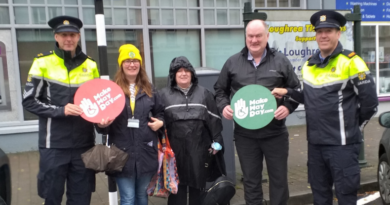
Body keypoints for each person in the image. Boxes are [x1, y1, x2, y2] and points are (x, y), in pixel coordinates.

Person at [271, 10, 378, 205]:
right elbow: (310, 98)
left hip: (342, 146)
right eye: (319, 31)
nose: (323, 35)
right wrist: (288, 92)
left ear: (338, 33)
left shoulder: (352, 62)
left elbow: (370, 103)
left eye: (329, 30)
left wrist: (354, 127)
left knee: (346, 197)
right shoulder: (309, 65)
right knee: (320, 197)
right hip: (316, 145)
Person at [214, 19, 301, 205]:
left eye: (258, 36)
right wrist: (224, 107)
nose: (254, 40)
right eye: (250, 36)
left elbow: (295, 89)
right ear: (246, 37)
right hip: (245, 135)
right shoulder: (232, 63)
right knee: (251, 182)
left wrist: (288, 107)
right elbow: (220, 90)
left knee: (279, 181)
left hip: (275, 134)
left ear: (267, 36)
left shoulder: (281, 61)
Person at [22, 16, 99, 205]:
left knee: (81, 198)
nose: (68, 39)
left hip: (84, 144)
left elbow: (98, 101)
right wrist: (60, 110)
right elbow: (29, 101)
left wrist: (103, 120)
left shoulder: (91, 65)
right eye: (64, 35)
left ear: (79, 36)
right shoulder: (42, 63)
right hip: (54, 145)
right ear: (56, 37)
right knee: (52, 197)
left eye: (72, 35)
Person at [97, 44, 165, 205]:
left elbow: (160, 112)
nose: (132, 64)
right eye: (127, 60)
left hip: (145, 152)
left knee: (142, 196)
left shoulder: (149, 89)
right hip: (121, 152)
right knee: (128, 198)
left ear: (140, 64)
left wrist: (161, 122)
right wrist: (102, 124)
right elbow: (102, 125)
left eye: (135, 60)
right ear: (121, 64)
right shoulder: (111, 90)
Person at [159, 56, 224, 205]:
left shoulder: (204, 94)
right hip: (174, 152)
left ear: (192, 74)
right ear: (173, 75)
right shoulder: (163, 95)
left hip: (199, 151)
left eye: (186, 70)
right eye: (179, 71)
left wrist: (217, 141)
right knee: (176, 191)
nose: (183, 74)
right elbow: (158, 120)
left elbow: (214, 119)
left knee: (198, 189)